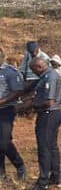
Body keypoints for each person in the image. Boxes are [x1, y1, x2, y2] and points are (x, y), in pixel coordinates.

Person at [29, 55, 61, 190]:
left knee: (44, 148)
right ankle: (55, 177)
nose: (34, 73)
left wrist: (32, 105)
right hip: (52, 114)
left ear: (39, 67)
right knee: (52, 146)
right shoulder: (46, 76)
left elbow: (49, 102)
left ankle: (43, 182)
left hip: (49, 114)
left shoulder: (50, 77)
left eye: (34, 70)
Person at [0, 52, 26, 183]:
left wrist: (2, 101)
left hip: (5, 110)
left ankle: (19, 165)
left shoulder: (9, 72)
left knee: (4, 142)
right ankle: (1, 173)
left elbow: (17, 91)